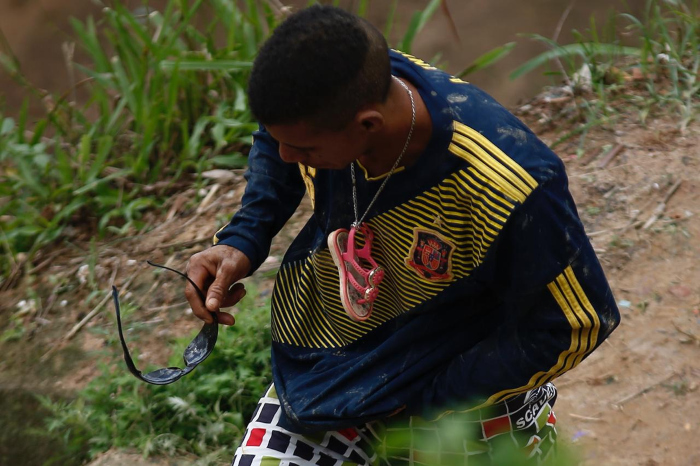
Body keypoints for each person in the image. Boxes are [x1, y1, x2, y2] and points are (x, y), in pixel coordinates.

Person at [185, 5, 620, 465]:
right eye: (281, 140)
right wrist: (242, 239)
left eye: (304, 149)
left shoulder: (512, 182)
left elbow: (577, 321)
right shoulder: (334, 95)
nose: (287, 155)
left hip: (460, 388)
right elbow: (278, 141)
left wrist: (435, 396)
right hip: (337, 368)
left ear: (368, 125)